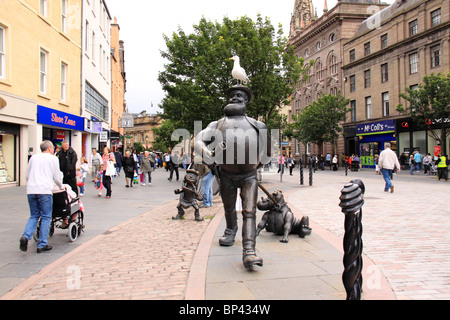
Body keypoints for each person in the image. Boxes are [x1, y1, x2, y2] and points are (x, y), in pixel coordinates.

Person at [194, 84, 271, 269]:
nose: (234, 98)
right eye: (232, 96)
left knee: (249, 211)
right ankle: (230, 230)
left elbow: (267, 152)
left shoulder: (257, 125)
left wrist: (253, 165)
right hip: (226, 175)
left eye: (239, 96)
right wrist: (209, 156)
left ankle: (249, 251)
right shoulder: (217, 124)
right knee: (229, 208)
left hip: (248, 176)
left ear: (246, 101)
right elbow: (198, 140)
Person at [20, 140, 64, 253]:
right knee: (46, 217)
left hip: (31, 190)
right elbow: (57, 176)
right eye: (53, 148)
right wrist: (61, 186)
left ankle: (26, 236)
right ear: (49, 148)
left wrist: (31, 184)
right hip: (44, 190)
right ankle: (42, 243)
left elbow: (27, 175)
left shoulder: (33, 158)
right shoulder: (53, 158)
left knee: (34, 215)